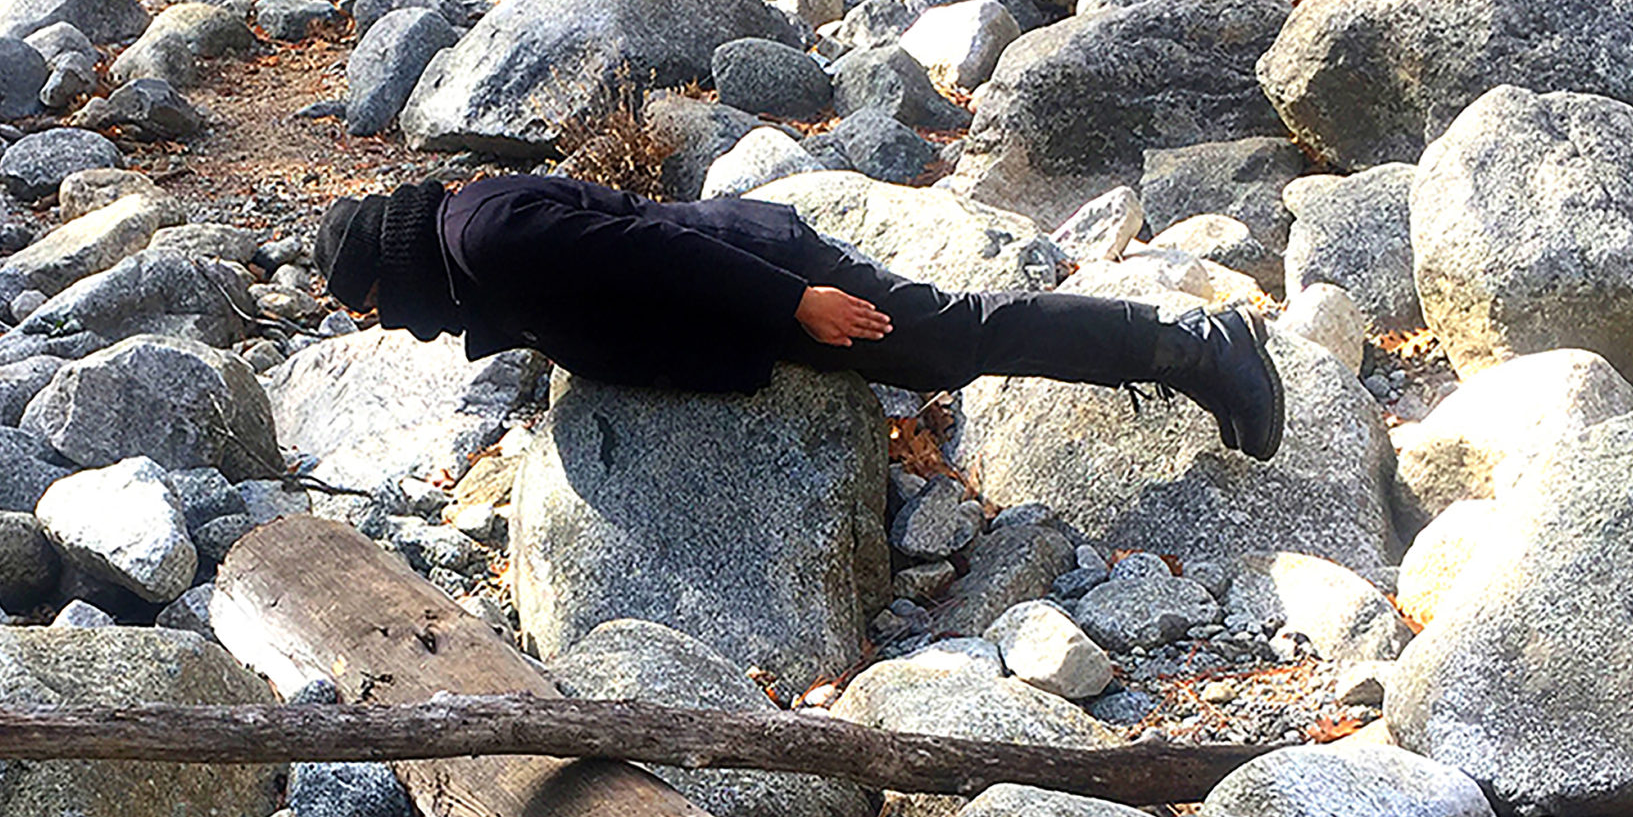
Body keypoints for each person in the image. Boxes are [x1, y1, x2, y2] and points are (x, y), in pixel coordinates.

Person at [314, 173, 1285, 460]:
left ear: (390, 270)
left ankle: (1193, 343)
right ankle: (1181, 347)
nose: (383, 324)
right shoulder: (472, 244)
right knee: (944, 346)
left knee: (950, 336)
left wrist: (796, 300)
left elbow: (657, 249)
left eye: (370, 307)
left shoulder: (485, 240)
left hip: (762, 277)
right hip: (744, 309)